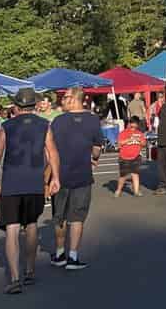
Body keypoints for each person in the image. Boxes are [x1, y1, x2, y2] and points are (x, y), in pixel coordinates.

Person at [0, 89, 61, 295]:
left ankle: (14, 278)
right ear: (34, 105)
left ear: (16, 106)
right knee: (31, 225)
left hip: (12, 182)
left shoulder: (6, 126)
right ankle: (30, 270)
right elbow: (53, 152)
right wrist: (55, 178)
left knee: (12, 229)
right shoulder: (44, 125)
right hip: (35, 182)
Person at [48, 91, 103, 271]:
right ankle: (73, 256)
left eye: (65, 97)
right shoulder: (93, 120)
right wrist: (94, 158)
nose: (62, 100)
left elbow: (49, 148)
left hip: (60, 175)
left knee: (60, 217)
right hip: (82, 174)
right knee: (78, 216)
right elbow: (97, 148)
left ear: (73, 99)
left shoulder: (58, 121)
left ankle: (59, 253)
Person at [114, 119, 145, 199]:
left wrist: (140, 141)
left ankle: (136, 191)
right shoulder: (123, 133)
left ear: (137, 125)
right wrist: (129, 139)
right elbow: (119, 144)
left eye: (135, 125)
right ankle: (118, 190)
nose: (133, 127)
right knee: (123, 176)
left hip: (136, 156)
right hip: (124, 157)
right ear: (129, 124)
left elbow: (144, 143)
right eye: (132, 125)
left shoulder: (139, 133)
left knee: (135, 174)